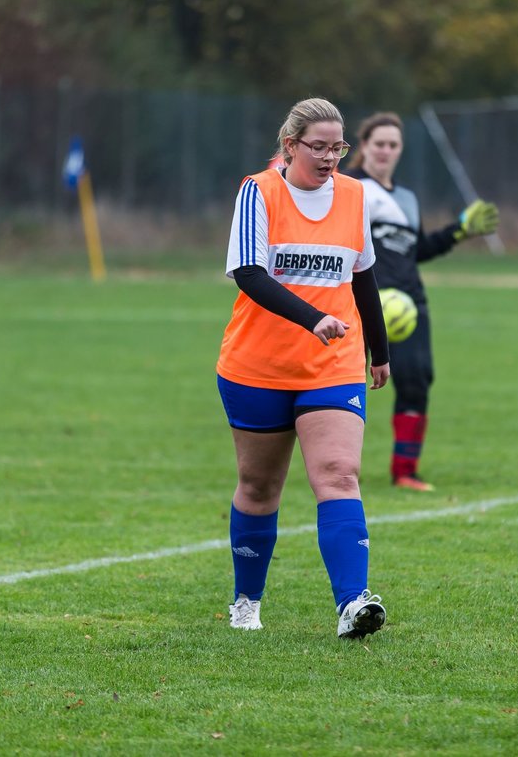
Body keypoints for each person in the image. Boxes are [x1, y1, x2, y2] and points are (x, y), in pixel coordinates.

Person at [217, 97, 392, 638]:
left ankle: (352, 603)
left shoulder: (356, 195)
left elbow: (362, 275)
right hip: (258, 364)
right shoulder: (259, 191)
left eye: (337, 147)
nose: (329, 157)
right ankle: (246, 601)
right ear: (289, 145)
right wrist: (312, 317)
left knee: (339, 474)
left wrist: (379, 351)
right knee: (259, 486)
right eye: (317, 146)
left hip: (333, 363)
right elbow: (248, 272)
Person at [341, 112, 499, 492]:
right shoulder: (348, 188)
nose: (386, 150)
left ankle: (405, 471)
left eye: (393, 144)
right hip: (360, 301)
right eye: (379, 143)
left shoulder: (408, 198)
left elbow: (416, 251)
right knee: (342, 382)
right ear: (364, 147)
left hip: (409, 304)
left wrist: (459, 230)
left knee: (415, 382)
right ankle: (339, 466)